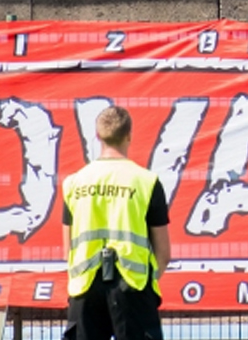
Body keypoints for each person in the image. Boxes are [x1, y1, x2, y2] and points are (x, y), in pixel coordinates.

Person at [61, 106, 170, 340]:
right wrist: (148, 280)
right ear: (129, 135)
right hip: (133, 286)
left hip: (84, 288)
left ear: (97, 136)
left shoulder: (74, 183)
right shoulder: (146, 181)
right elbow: (163, 251)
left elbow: (67, 249)